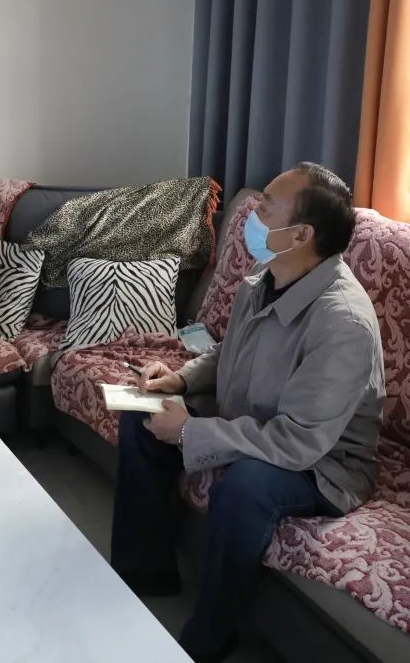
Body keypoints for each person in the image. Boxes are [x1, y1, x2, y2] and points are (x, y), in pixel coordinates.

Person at [111, 163, 385, 662]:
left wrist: (192, 431)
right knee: (141, 416)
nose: (251, 215)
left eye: (266, 207)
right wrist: (181, 380)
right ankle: (146, 573)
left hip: (322, 464)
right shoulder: (262, 280)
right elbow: (227, 352)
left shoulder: (342, 322)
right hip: (251, 418)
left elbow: (299, 441)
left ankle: (212, 634)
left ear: (300, 235)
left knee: (246, 487)